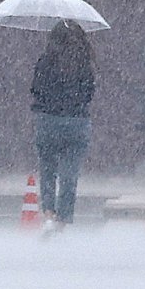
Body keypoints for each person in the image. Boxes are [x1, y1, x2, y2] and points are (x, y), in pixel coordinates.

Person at [30, 20, 96, 234]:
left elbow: (35, 90)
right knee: (70, 173)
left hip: (48, 121)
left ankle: (48, 213)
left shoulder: (45, 62)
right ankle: (63, 218)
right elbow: (89, 94)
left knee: (48, 170)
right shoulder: (84, 63)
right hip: (77, 122)